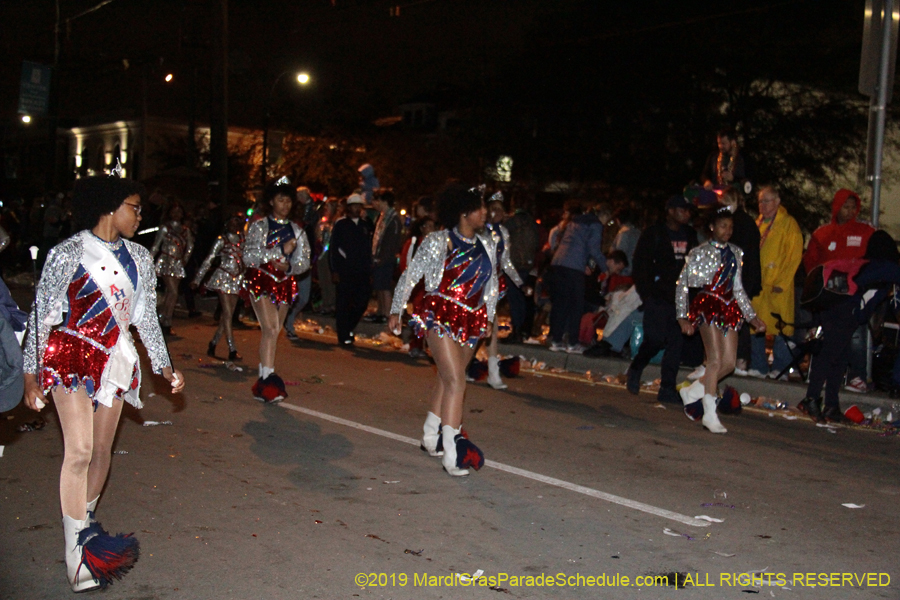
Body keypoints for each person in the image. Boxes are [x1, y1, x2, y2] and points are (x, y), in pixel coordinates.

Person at [22, 175, 185, 592]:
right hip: (71, 355)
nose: (139, 214)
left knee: (100, 453)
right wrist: (30, 375)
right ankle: (77, 553)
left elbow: (146, 317)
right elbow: (41, 315)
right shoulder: (69, 251)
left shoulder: (139, 258)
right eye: (134, 206)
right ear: (111, 207)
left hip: (115, 360)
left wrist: (165, 368)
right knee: (77, 451)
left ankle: (85, 528)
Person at [389, 183, 497, 477]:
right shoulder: (439, 241)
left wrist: (489, 315)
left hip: (472, 319)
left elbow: (492, 283)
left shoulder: (487, 244)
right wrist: (396, 309)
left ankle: (429, 433)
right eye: (480, 208)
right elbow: (411, 276)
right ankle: (453, 452)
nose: (485, 212)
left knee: (448, 377)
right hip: (441, 314)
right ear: (464, 213)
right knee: (456, 381)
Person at [676, 207, 766, 433]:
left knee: (728, 364)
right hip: (707, 305)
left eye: (731, 227)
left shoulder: (736, 252)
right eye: (723, 226)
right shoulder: (699, 252)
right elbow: (682, 285)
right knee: (714, 361)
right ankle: (709, 412)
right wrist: (682, 317)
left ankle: (693, 391)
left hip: (729, 307)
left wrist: (752, 317)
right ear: (712, 228)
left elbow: (738, 289)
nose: (728, 231)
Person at [799, 231, 900, 422]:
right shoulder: (885, 266)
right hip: (844, 312)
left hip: (834, 308)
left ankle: (831, 405)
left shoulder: (865, 264)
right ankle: (811, 399)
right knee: (830, 355)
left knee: (840, 359)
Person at [243, 178, 311, 402]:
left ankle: (263, 380)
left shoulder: (297, 230)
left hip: (285, 283)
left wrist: (290, 266)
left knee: (273, 331)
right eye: (281, 200)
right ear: (271, 201)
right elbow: (249, 256)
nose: (285, 205)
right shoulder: (259, 226)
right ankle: (268, 381)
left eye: (289, 201)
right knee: (271, 328)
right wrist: (278, 251)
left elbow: (305, 262)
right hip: (262, 280)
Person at [626, 195, 698, 404]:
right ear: (670, 211)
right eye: (682, 210)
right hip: (658, 297)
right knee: (655, 339)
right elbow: (640, 264)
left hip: (681, 299)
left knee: (676, 344)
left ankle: (667, 387)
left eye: (688, 210)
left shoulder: (690, 235)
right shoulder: (654, 234)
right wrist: (647, 294)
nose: (686, 214)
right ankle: (637, 367)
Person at [803, 188, 875, 392]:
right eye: (846, 206)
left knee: (856, 335)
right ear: (837, 206)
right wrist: (815, 286)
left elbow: (874, 255)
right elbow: (811, 262)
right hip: (828, 294)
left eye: (854, 207)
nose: (850, 211)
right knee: (827, 335)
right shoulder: (822, 233)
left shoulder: (865, 231)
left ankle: (858, 376)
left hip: (853, 291)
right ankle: (822, 375)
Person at [749, 186, 803, 378]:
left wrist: (783, 281)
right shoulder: (758, 223)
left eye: (767, 201)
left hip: (779, 285)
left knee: (781, 327)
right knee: (755, 325)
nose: (762, 205)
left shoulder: (788, 224)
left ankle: (781, 367)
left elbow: (794, 255)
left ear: (778, 201)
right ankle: (758, 365)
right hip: (759, 285)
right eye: (760, 201)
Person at [548, 202, 610, 353]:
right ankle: (573, 342)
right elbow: (594, 248)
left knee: (562, 303)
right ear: (604, 216)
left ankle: (556, 340)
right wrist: (606, 268)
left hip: (558, 263)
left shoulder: (575, 221)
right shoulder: (595, 225)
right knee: (576, 304)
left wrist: (584, 264)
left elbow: (573, 244)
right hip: (573, 267)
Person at [483, 191, 524, 388]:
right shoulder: (479, 230)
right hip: (478, 284)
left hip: (494, 285)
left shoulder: (504, 233)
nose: (498, 213)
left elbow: (505, 261)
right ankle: (463, 367)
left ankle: (493, 372)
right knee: (479, 327)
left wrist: (520, 282)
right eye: (495, 209)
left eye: (501, 209)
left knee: (491, 325)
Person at [192, 214, 245, 360]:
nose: (235, 225)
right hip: (223, 277)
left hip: (237, 279)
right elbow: (209, 259)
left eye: (237, 223)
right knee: (227, 313)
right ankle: (232, 349)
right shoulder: (222, 240)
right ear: (226, 224)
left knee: (227, 316)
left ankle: (213, 343)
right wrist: (198, 279)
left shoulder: (243, 239)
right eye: (232, 222)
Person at [329, 193, 373, 346]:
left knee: (361, 302)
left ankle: (348, 327)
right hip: (345, 271)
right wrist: (334, 270)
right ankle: (344, 334)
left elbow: (368, 249)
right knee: (344, 303)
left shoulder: (365, 226)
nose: (356, 209)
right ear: (348, 208)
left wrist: (369, 269)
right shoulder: (341, 225)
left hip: (361, 271)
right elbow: (334, 248)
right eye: (354, 205)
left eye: (359, 206)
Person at [150, 201, 194, 336]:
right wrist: (148, 260)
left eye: (179, 212)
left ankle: (164, 320)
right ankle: (165, 319)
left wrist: (185, 258)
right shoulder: (165, 228)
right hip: (166, 261)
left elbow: (190, 246)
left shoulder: (185, 230)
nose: (177, 214)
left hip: (177, 263)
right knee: (173, 292)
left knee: (171, 293)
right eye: (174, 212)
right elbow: (156, 245)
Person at [502, 201, 540, 343]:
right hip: (527, 266)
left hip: (513, 264)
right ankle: (522, 329)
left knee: (514, 298)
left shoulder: (511, 223)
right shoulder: (532, 224)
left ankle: (516, 329)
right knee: (522, 298)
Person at [398, 215, 436, 358]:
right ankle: (416, 345)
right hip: (418, 286)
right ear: (422, 228)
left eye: (434, 226)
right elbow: (405, 264)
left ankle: (426, 345)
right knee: (420, 315)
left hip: (432, 286)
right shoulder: (413, 244)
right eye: (429, 226)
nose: (432, 230)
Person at [369, 188, 403, 324]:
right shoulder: (383, 217)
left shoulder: (393, 219)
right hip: (378, 256)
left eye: (376, 200)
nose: (374, 203)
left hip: (386, 258)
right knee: (379, 285)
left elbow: (391, 242)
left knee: (385, 286)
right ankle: (381, 311)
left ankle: (387, 314)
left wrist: (383, 257)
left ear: (383, 201)